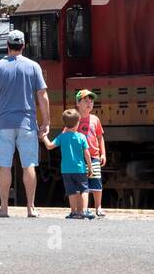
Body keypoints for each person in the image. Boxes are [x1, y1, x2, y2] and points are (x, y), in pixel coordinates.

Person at [0, 29, 50, 217]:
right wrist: (46, 122)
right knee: (28, 164)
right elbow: (42, 96)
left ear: (7, 46)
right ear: (23, 46)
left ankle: (4, 208)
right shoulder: (33, 66)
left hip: (3, 123)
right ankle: (31, 207)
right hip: (27, 123)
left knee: (4, 166)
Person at [41, 109, 93, 219]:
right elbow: (87, 154)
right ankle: (84, 211)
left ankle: (74, 212)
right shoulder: (81, 137)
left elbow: (49, 146)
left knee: (71, 191)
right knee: (84, 189)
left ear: (64, 123)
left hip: (66, 170)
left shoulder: (62, 137)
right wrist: (90, 167)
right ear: (78, 122)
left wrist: (44, 137)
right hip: (80, 169)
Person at [75, 89, 107, 217]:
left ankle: (98, 207)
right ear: (78, 103)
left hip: (94, 155)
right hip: (79, 157)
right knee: (81, 184)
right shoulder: (74, 119)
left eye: (91, 101)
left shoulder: (95, 119)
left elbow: (100, 137)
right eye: (85, 101)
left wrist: (103, 154)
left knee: (96, 181)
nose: (89, 103)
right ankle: (82, 208)